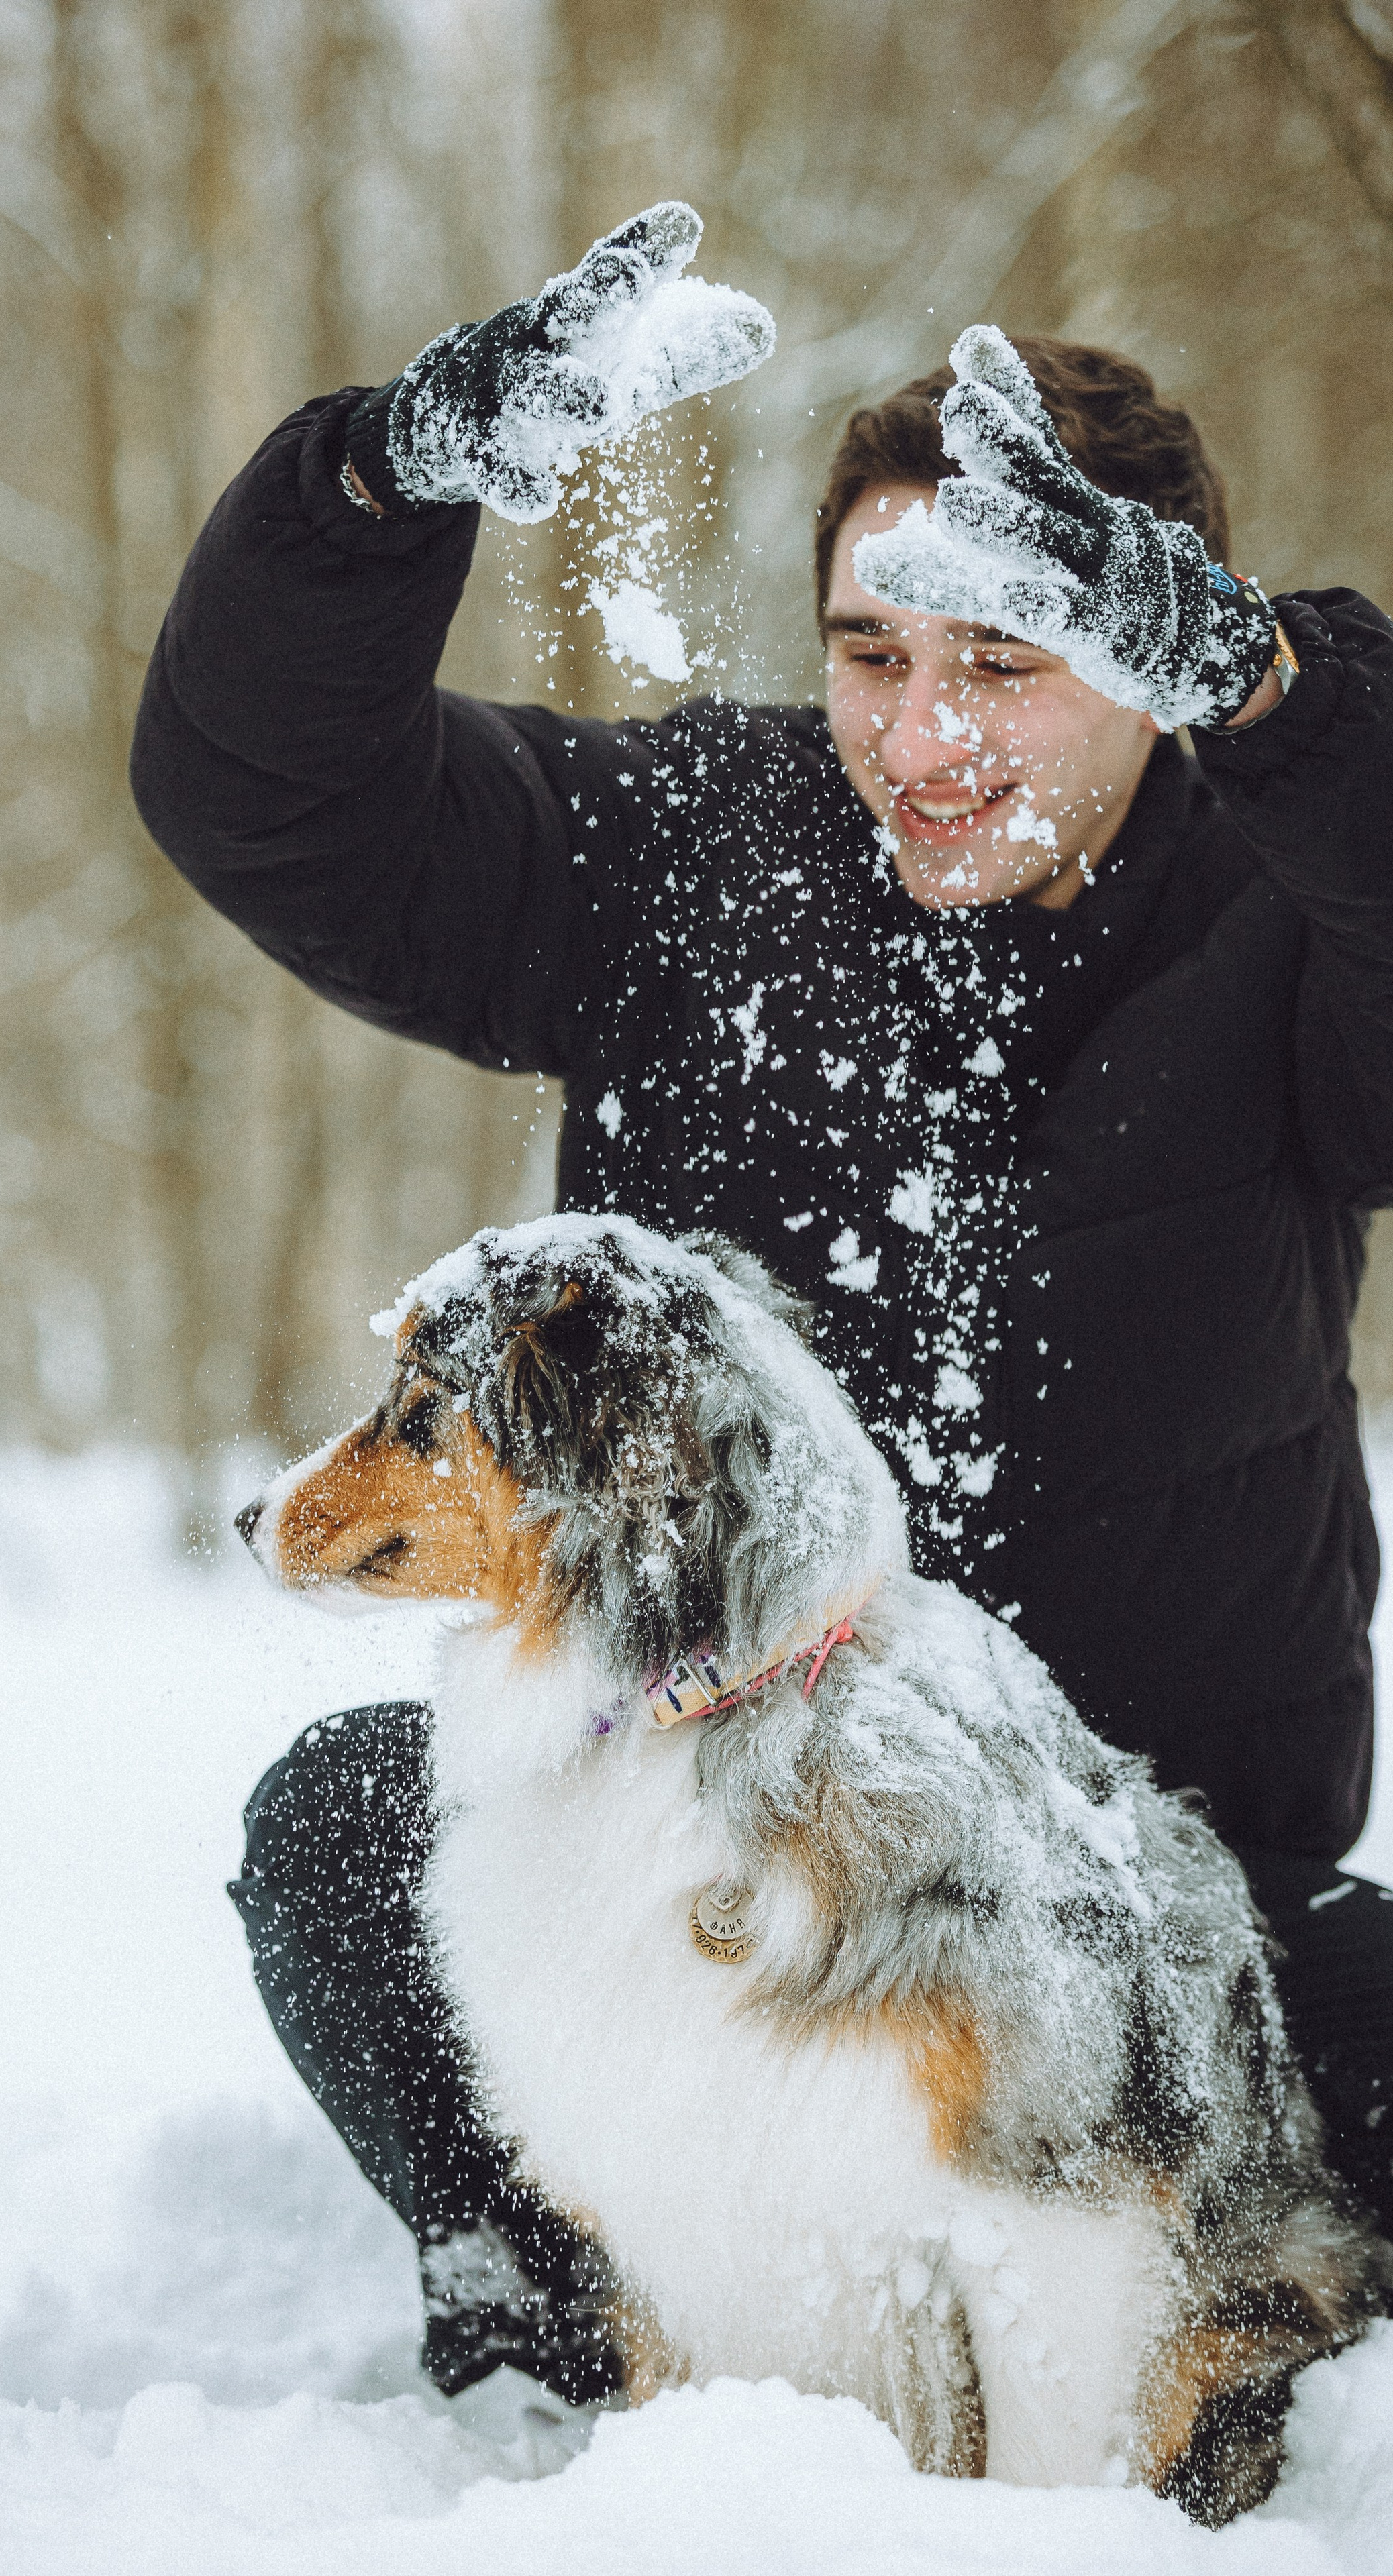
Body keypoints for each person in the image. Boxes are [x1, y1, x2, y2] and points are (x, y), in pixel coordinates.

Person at [130, 207, 1393, 2398]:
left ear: (1159, 668)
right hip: (697, 1850)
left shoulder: (1293, 910)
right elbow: (277, 800)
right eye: (874, 652)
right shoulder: (691, 848)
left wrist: (1288, 707)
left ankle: (1196, 2326)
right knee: (350, 1832)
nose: (924, 738)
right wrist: (382, 484)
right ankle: (584, 2296)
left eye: (1006, 664)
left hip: (1145, 1898)